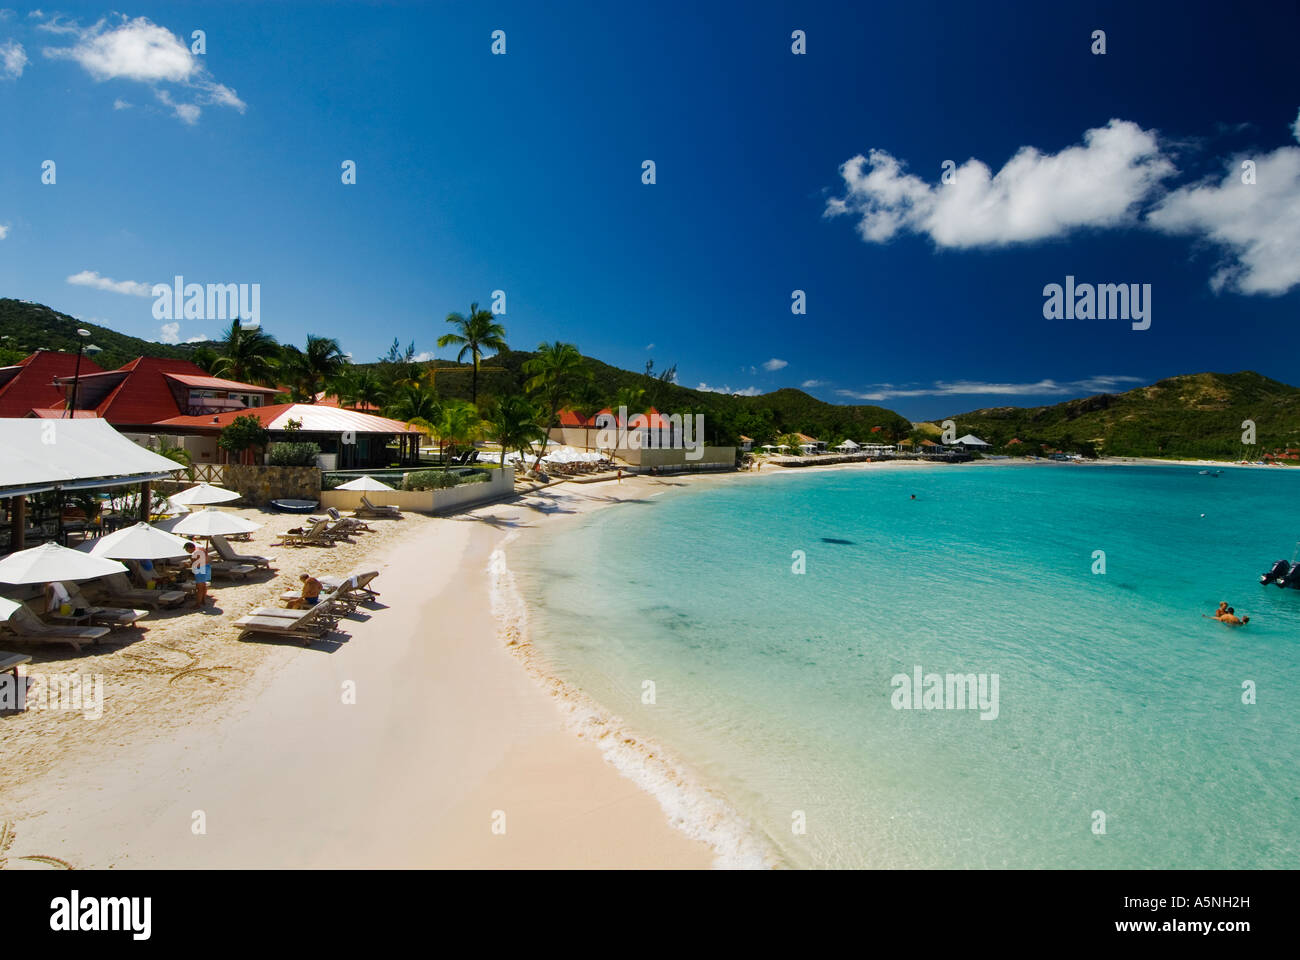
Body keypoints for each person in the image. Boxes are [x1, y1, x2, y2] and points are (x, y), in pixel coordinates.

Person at [184, 540, 211, 607]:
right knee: (204, 586)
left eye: (187, 550)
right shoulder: (201, 548)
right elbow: (209, 558)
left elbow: (195, 564)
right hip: (207, 567)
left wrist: (187, 564)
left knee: (199, 588)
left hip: (200, 569)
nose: (187, 551)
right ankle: (203, 600)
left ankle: (198, 604)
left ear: (190, 548)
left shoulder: (194, 554)